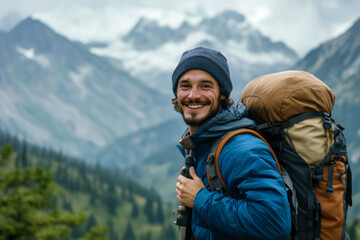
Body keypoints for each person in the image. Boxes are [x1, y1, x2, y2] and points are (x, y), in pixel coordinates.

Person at [172, 47, 291, 240]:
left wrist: (200, 199)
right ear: (176, 92)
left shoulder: (241, 149)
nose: (193, 95)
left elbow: (274, 223)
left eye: (205, 86)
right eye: (185, 85)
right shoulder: (202, 145)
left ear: (222, 95)